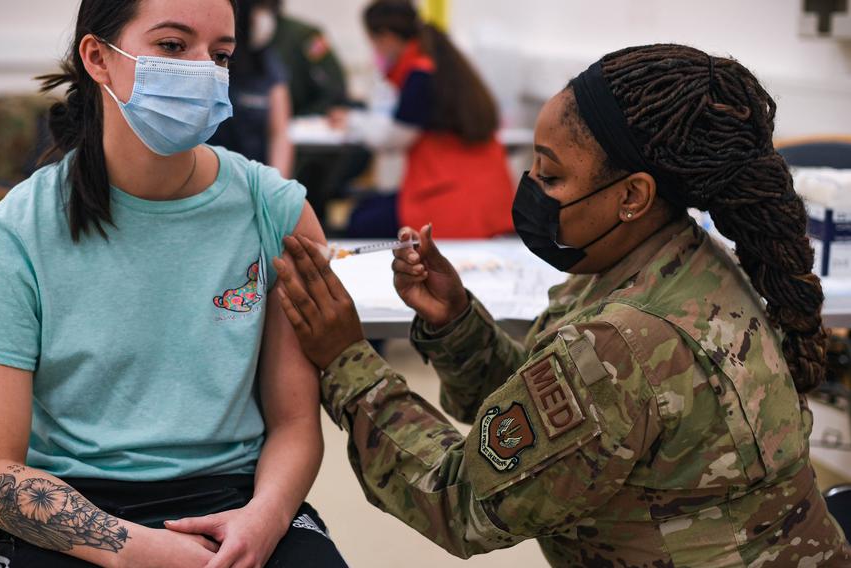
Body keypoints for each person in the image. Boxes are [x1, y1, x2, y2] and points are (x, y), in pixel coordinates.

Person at [272, 43, 851, 566]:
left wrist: (348, 359)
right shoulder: (666, 258)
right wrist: (456, 326)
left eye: (549, 176)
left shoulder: (628, 340)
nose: (528, 187)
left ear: (632, 195)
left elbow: (458, 500)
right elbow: (548, 414)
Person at [0, 0, 347, 566]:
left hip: (236, 499)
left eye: (221, 56)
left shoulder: (277, 212)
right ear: (97, 57)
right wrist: (133, 549)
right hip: (74, 508)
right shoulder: (18, 231)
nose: (201, 71)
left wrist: (264, 518)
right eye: (171, 46)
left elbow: (293, 423)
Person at [344, 0, 515, 239]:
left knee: (360, 221)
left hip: (451, 200)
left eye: (373, 42)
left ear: (386, 37)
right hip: (487, 194)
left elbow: (393, 138)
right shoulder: (441, 62)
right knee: (368, 210)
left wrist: (352, 121)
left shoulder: (419, 73)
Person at [209, 0, 294, 177]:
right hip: (209, 176)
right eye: (261, 9)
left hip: (255, 179)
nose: (266, 19)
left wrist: (276, 187)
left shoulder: (266, 61)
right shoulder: (211, 57)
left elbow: (280, 133)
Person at [261, 0, 349, 117]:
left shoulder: (305, 35)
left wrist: (312, 113)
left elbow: (335, 85)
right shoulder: (240, 38)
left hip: (302, 119)